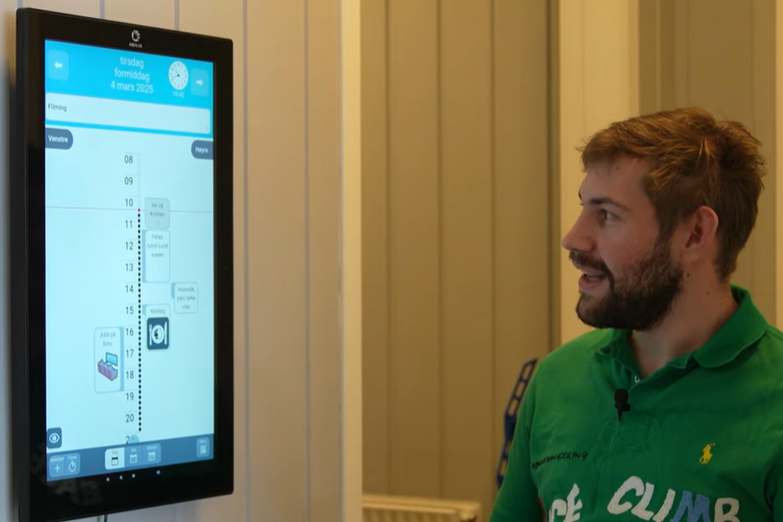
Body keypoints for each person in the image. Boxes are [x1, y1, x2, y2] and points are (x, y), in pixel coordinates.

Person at [490, 107, 783, 522]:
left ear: (695, 234)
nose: (573, 239)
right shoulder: (557, 379)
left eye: (607, 215)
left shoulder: (774, 398)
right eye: (583, 208)